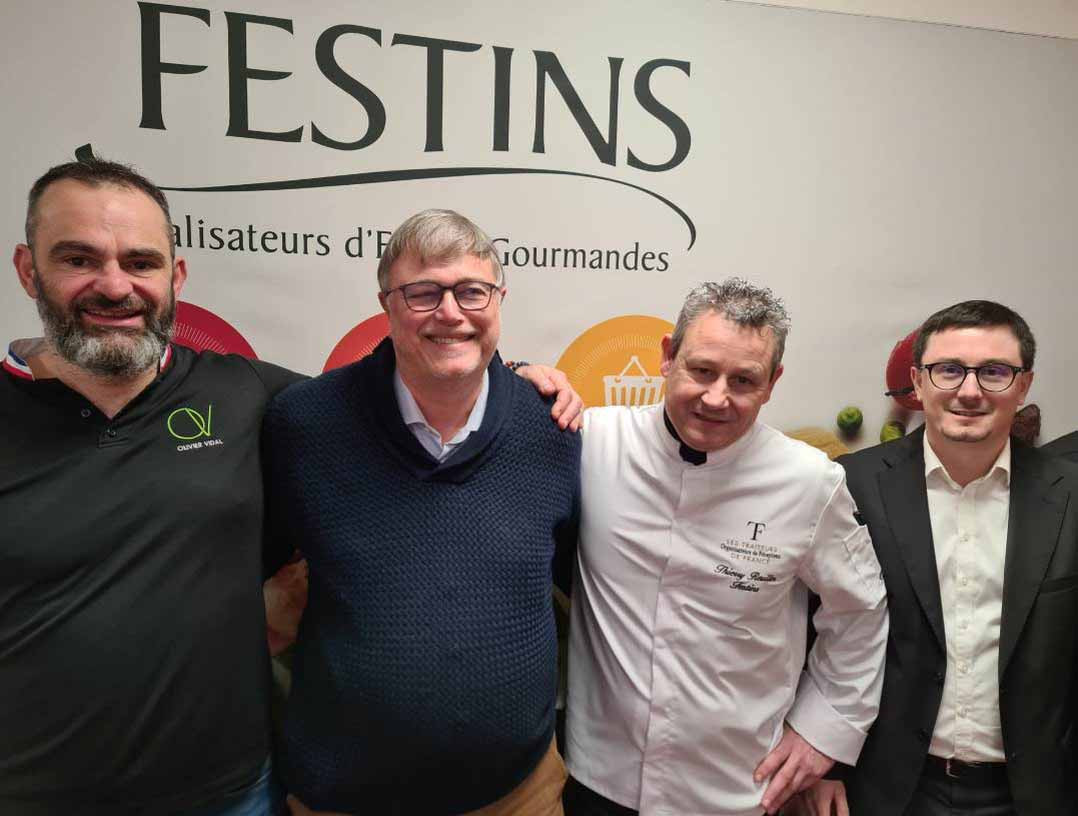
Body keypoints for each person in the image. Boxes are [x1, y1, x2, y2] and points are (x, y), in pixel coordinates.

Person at [0, 161, 581, 816]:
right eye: (78, 259)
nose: (114, 285)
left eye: (140, 262)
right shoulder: (309, 419)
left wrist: (521, 378)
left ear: (175, 276)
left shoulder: (248, 393)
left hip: (245, 791)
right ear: (28, 269)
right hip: (46, 793)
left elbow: (437, 374)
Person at [261, 209, 582, 816]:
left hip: (518, 796)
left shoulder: (552, 428)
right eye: (423, 293)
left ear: (499, 300)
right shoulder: (304, 424)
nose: (451, 312)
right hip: (344, 799)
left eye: (472, 291)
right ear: (386, 304)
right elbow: (257, 566)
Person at [563, 279, 889, 816]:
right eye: (702, 370)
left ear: (772, 383)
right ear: (667, 357)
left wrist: (823, 732)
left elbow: (860, 613)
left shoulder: (809, 480)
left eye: (743, 380)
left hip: (737, 786)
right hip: (600, 777)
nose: (717, 398)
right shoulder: (594, 443)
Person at [802, 300, 1078, 815]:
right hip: (885, 788)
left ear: (1023, 386)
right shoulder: (853, 484)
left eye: (994, 372)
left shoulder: (1071, 495)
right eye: (948, 370)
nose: (969, 391)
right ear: (917, 381)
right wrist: (824, 761)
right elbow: (814, 630)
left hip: (1036, 792)